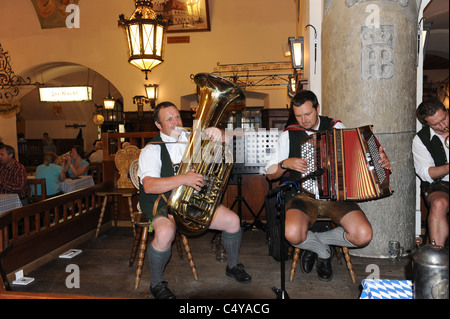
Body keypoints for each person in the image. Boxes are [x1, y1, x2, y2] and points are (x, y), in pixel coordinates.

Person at [265, 90, 393, 281]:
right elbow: (269, 173)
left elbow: (359, 156)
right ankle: (323, 252)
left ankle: (315, 243)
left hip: (337, 195)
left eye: (307, 114)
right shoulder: (289, 134)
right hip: (302, 196)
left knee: (363, 235)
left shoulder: (336, 126)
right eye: (298, 116)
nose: (303, 120)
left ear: (317, 108)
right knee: (292, 234)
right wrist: (285, 164)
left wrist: (379, 159)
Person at [138, 101, 251, 299]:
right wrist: (184, 178)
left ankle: (232, 266)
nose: (176, 122)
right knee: (165, 232)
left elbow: (231, 141)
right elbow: (149, 186)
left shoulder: (193, 137)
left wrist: (219, 133)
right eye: (169, 119)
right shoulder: (152, 149)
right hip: (163, 203)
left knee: (233, 221)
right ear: (158, 125)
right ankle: (157, 283)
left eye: (177, 117)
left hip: (193, 201)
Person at [412, 98, 449, 248]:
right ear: (426, 123)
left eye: (444, 118)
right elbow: (425, 173)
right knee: (439, 203)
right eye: (436, 124)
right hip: (439, 184)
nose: (443, 125)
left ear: (446, 111)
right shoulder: (420, 139)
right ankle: (437, 256)